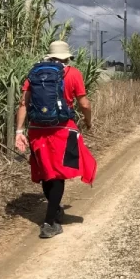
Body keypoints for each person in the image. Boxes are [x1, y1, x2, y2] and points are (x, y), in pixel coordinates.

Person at [15, 40, 97, 238]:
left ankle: (55, 210)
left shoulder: (34, 74)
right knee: (58, 174)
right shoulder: (72, 73)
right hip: (61, 129)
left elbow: (23, 104)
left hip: (37, 130)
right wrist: (88, 122)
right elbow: (84, 103)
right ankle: (49, 222)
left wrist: (19, 131)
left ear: (49, 56)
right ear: (67, 57)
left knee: (46, 172)